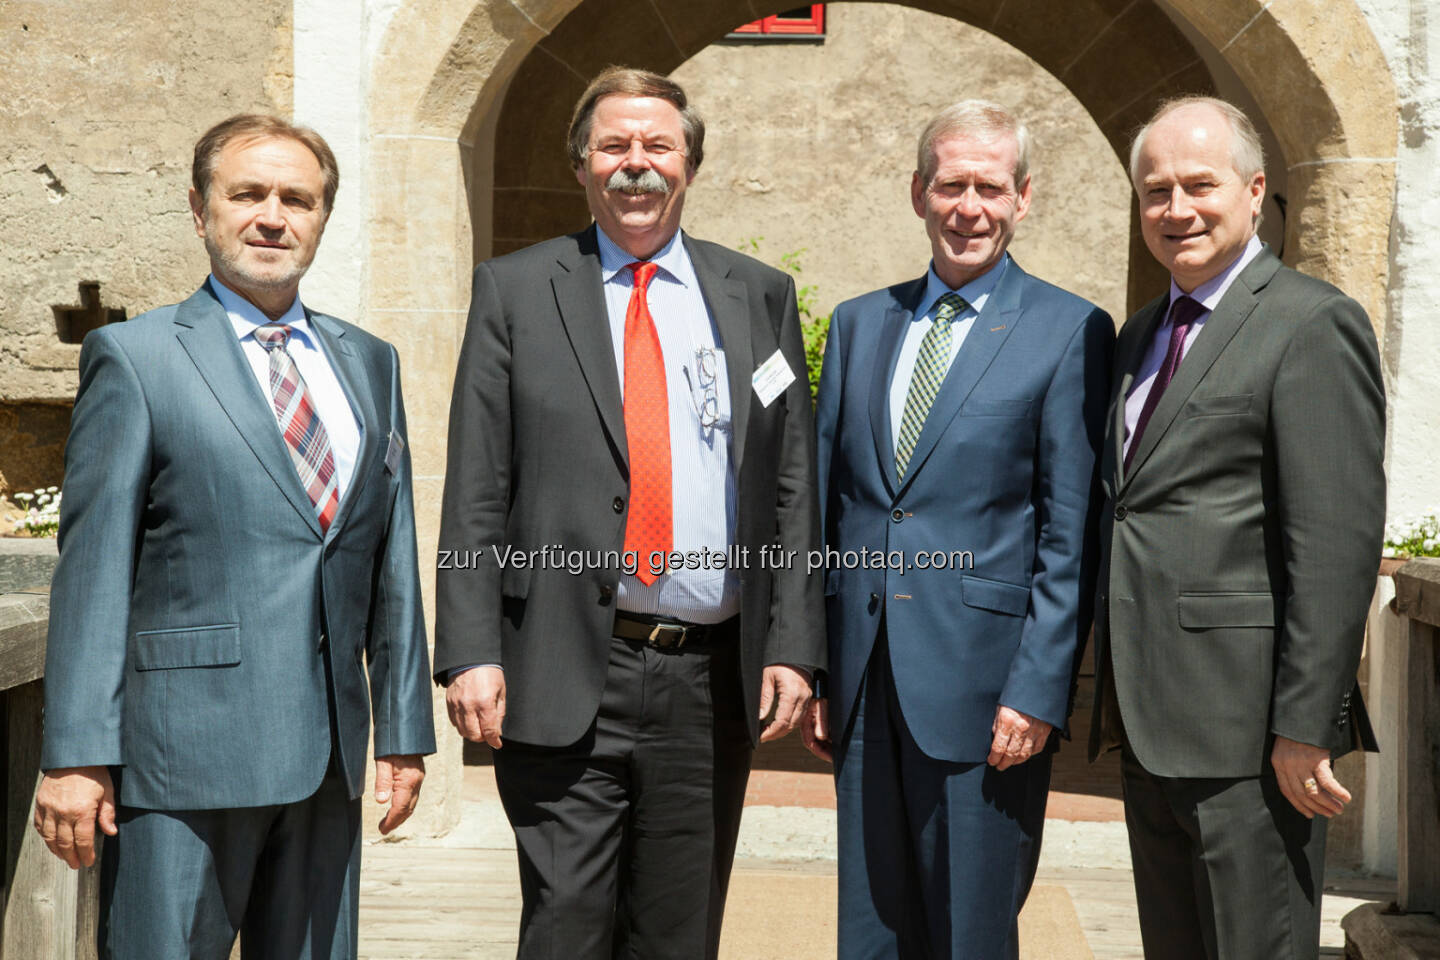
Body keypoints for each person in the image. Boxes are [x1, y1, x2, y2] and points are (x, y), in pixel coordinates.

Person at [434, 66, 823, 959]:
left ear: (690, 165)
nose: (635, 166)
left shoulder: (757, 295)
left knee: (678, 932)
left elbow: (789, 479)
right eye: (614, 146)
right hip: (564, 664)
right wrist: (469, 649)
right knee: (568, 924)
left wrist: (795, 643)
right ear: (581, 165)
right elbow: (477, 484)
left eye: (657, 147)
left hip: (707, 680)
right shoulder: (518, 290)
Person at [33, 113, 436, 958]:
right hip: (182, 758)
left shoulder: (372, 362)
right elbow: (95, 569)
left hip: (329, 759)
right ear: (199, 207)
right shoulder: (136, 358)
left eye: (298, 198)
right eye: (246, 193)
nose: (271, 216)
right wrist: (75, 755)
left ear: (323, 217)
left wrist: (403, 730)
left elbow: (389, 556)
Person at [808, 100, 1114, 958]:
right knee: (869, 928)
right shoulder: (861, 322)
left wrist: (1037, 689)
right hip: (866, 682)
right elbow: (833, 511)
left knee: (971, 931)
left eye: (989, 187)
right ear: (918, 194)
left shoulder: (1070, 331)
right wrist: (823, 665)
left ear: (1023, 198)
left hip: (987, 695)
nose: (967, 207)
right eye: (950, 185)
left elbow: (1069, 533)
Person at [1088, 96, 1385, 960]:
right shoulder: (1142, 333)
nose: (1176, 209)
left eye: (1198, 185)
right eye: (1155, 191)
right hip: (1151, 723)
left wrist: (1304, 724)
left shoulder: (1311, 322)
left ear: (1255, 192)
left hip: (1252, 740)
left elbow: (1334, 542)